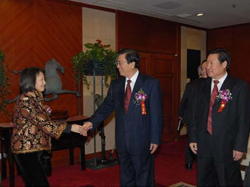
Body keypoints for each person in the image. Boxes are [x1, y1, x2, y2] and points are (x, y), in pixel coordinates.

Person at [80, 49, 163, 186]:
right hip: (122, 140)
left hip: (142, 140)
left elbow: (156, 113)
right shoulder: (116, 85)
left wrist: (155, 138)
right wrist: (91, 123)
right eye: (117, 63)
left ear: (132, 63)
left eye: (120, 63)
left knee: (144, 178)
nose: (117, 66)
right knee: (126, 177)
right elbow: (106, 107)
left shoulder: (150, 83)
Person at [188, 48, 250, 186]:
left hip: (226, 145)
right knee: (204, 181)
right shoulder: (199, 86)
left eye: (211, 63)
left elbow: (244, 119)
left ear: (224, 64)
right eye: (207, 63)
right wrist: (192, 137)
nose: (207, 67)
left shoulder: (238, 86)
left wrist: (240, 146)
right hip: (203, 144)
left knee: (226, 181)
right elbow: (193, 114)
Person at [11, 67, 82, 187]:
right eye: (42, 79)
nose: (45, 82)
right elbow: (44, 124)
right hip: (26, 151)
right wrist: (71, 128)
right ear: (31, 81)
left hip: (32, 150)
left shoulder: (35, 100)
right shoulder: (26, 101)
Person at [178, 60, 208, 170]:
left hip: (205, 118)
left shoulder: (213, 84)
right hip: (193, 116)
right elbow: (184, 100)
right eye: (204, 69)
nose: (206, 71)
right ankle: (189, 160)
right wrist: (181, 114)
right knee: (192, 138)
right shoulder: (192, 84)